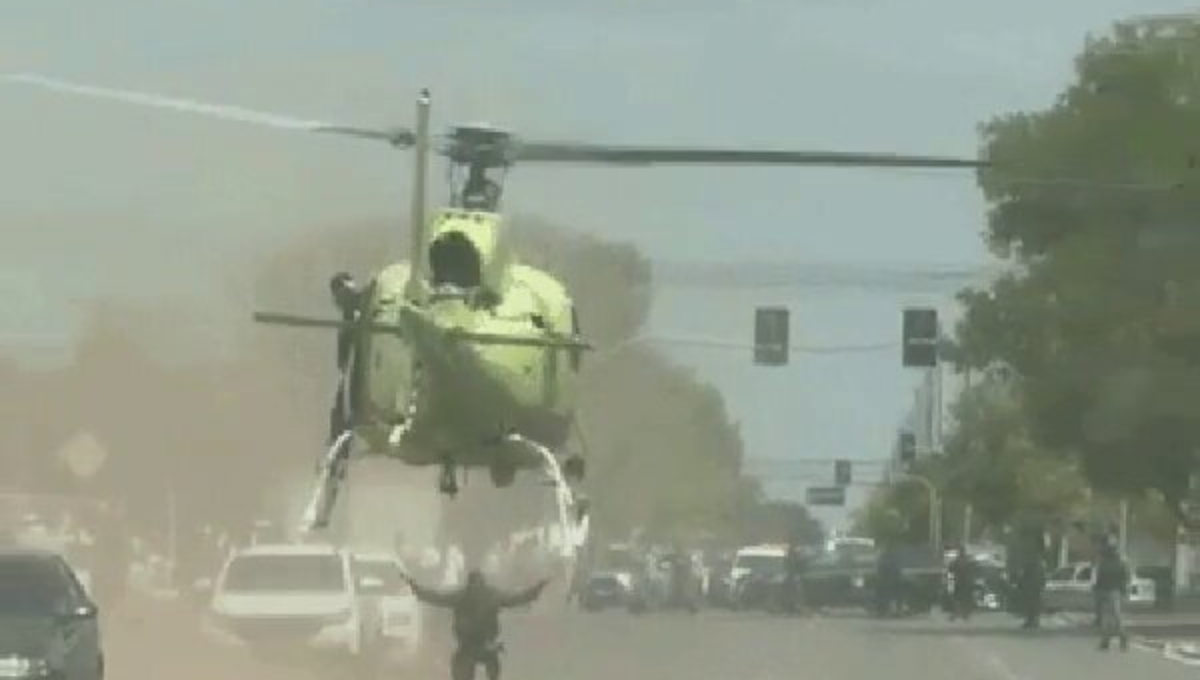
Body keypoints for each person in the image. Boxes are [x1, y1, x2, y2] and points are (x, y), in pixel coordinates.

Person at [401, 568, 550, 680]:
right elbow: (517, 598)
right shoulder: (490, 595)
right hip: (478, 646)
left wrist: (415, 587)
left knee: (468, 664)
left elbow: (436, 597)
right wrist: (537, 589)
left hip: (474, 646)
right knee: (479, 663)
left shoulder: (465, 595)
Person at [1093, 543, 1131, 651]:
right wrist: (1123, 591)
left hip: (1104, 591)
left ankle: (1105, 641)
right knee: (1116, 616)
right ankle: (1122, 637)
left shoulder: (1102, 564)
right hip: (1116, 592)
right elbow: (1125, 577)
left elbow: (1098, 579)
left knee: (1106, 618)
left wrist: (1097, 591)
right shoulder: (1120, 563)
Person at [947, 545, 977, 621]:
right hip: (966, 583)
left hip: (958, 582)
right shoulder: (968, 560)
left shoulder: (957, 561)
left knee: (957, 599)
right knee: (965, 599)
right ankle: (965, 615)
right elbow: (973, 570)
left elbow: (950, 569)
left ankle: (955, 614)